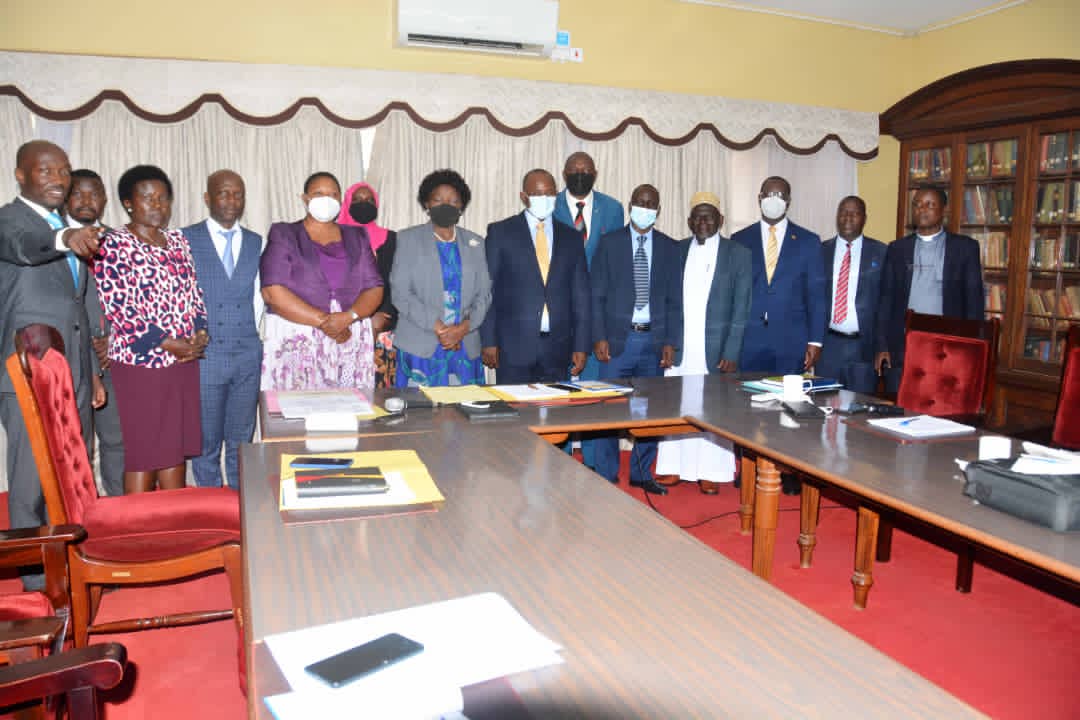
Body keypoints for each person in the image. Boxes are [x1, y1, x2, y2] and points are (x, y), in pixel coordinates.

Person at [0, 141, 105, 573]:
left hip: (75, 373)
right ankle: (34, 582)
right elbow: (27, 246)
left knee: (72, 476)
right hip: (27, 374)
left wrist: (94, 375)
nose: (58, 180)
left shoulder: (67, 224)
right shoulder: (11, 221)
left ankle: (74, 568)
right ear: (21, 175)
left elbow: (78, 311)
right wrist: (66, 237)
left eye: (63, 171)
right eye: (45, 171)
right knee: (31, 482)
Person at [93, 165, 207, 493]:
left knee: (174, 447)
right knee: (145, 452)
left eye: (163, 199)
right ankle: (140, 530)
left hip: (183, 362)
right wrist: (169, 343)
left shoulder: (177, 241)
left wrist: (199, 333)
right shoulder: (114, 244)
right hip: (142, 364)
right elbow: (120, 308)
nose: (157, 205)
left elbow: (193, 293)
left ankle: (173, 525)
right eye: (148, 199)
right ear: (128, 203)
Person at [732, 176, 827, 495]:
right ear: (759, 198)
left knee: (790, 407)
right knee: (748, 406)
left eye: (781, 194)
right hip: (750, 337)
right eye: (768, 194)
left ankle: (788, 471)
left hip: (792, 339)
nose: (774, 198)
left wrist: (816, 340)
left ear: (789, 200)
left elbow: (816, 294)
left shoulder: (809, 241)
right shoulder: (739, 239)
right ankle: (747, 469)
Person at [654, 192, 752, 494]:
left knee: (714, 408)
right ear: (689, 221)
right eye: (697, 216)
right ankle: (673, 467)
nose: (703, 221)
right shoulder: (677, 250)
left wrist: (732, 350)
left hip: (717, 347)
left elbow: (741, 307)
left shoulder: (738, 254)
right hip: (682, 345)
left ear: (720, 220)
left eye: (709, 216)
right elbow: (667, 301)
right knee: (677, 404)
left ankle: (712, 471)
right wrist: (667, 342)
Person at [590, 184, 682, 495]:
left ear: (658, 210)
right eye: (640, 202)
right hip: (618, 341)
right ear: (631, 206)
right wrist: (599, 335)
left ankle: (642, 473)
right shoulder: (609, 243)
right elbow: (597, 295)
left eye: (651, 204)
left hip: (652, 343)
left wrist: (670, 341)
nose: (645, 207)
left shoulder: (669, 247)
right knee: (607, 409)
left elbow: (673, 300)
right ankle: (606, 473)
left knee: (648, 410)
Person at [260, 172, 384, 391]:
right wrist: (327, 322)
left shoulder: (358, 236)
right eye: (318, 193)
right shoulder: (284, 233)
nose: (326, 199)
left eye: (333, 194)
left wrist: (349, 317)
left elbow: (374, 287)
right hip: (299, 336)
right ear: (305, 199)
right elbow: (272, 291)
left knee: (347, 414)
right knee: (297, 415)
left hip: (348, 337)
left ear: (340, 201)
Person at [182, 170, 262, 490]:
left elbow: (260, 298)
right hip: (206, 354)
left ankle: (240, 506)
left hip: (247, 352)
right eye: (224, 193)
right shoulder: (184, 238)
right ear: (207, 198)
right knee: (206, 440)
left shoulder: (257, 241)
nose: (231, 201)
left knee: (241, 439)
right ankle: (211, 508)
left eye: (238, 194)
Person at [481, 169, 589, 383]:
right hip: (513, 348)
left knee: (556, 413)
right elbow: (487, 291)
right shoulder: (501, 233)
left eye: (549, 194)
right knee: (516, 414)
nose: (544, 199)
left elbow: (581, 295)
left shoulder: (572, 237)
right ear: (524, 197)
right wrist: (488, 340)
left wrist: (581, 345)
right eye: (537, 194)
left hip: (558, 347)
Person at [553, 151, 624, 470]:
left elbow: (614, 263)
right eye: (573, 169)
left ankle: (601, 470)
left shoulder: (613, 208)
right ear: (564, 173)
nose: (580, 173)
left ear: (595, 173)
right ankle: (559, 465)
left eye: (586, 169)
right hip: (558, 313)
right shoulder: (547, 205)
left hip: (598, 314)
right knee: (559, 397)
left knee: (597, 396)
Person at [875, 187, 984, 392]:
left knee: (939, 410)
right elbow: (886, 300)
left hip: (948, 347)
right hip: (903, 347)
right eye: (917, 204)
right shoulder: (897, 249)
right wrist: (882, 346)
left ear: (944, 210)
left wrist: (971, 349)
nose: (921, 209)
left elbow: (974, 303)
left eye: (929, 204)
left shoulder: (965, 248)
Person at [391, 169, 491, 387]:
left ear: (462, 206)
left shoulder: (476, 243)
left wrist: (463, 328)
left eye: (453, 200)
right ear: (426, 203)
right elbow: (401, 293)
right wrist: (441, 329)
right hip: (420, 344)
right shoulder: (407, 239)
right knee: (421, 417)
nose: (446, 205)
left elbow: (484, 295)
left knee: (464, 416)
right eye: (438, 200)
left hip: (465, 345)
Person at [66, 168, 125, 497]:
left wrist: (114, 339)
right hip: (73, 360)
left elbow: (136, 300)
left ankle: (116, 509)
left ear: (104, 199)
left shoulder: (118, 242)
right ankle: (81, 511)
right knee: (77, 444)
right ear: (65, 197)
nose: (87, 200)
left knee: (117, 440)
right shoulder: (55, 243)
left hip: (116, 357)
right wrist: (90, 348)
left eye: (94, 194)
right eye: (78, 193)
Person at [818, 196, 887, 395]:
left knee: (860, 410)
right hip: (828, 347)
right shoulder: (820, 251)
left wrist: (883, 346)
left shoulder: (881, 253)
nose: (848, 217)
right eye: (843, 212)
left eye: (855, 213)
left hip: (863, 348)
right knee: (825, 409)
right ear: (836, 217)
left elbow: (885, 304)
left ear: (864, 218)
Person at [337, 182, 399, 388]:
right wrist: (355, 318)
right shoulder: (333, 236)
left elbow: (395, 280)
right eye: (357, 200)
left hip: (381, 327)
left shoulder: (391, 238)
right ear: (346, 203)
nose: (364, 204)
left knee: (380, 395)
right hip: (342, 325)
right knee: (342, 395)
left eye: (369, 200)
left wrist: (381, 316)